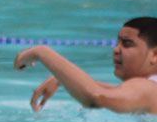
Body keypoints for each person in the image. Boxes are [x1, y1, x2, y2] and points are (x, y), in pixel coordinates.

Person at [14, 17, 157, 114]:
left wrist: (41, 52)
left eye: (126, 44)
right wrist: (60, 79)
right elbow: (118, 92)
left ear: (154, 55)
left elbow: (96, 97)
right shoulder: (149, 89)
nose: (116, 49)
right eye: (117, 43)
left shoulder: (147, 88)